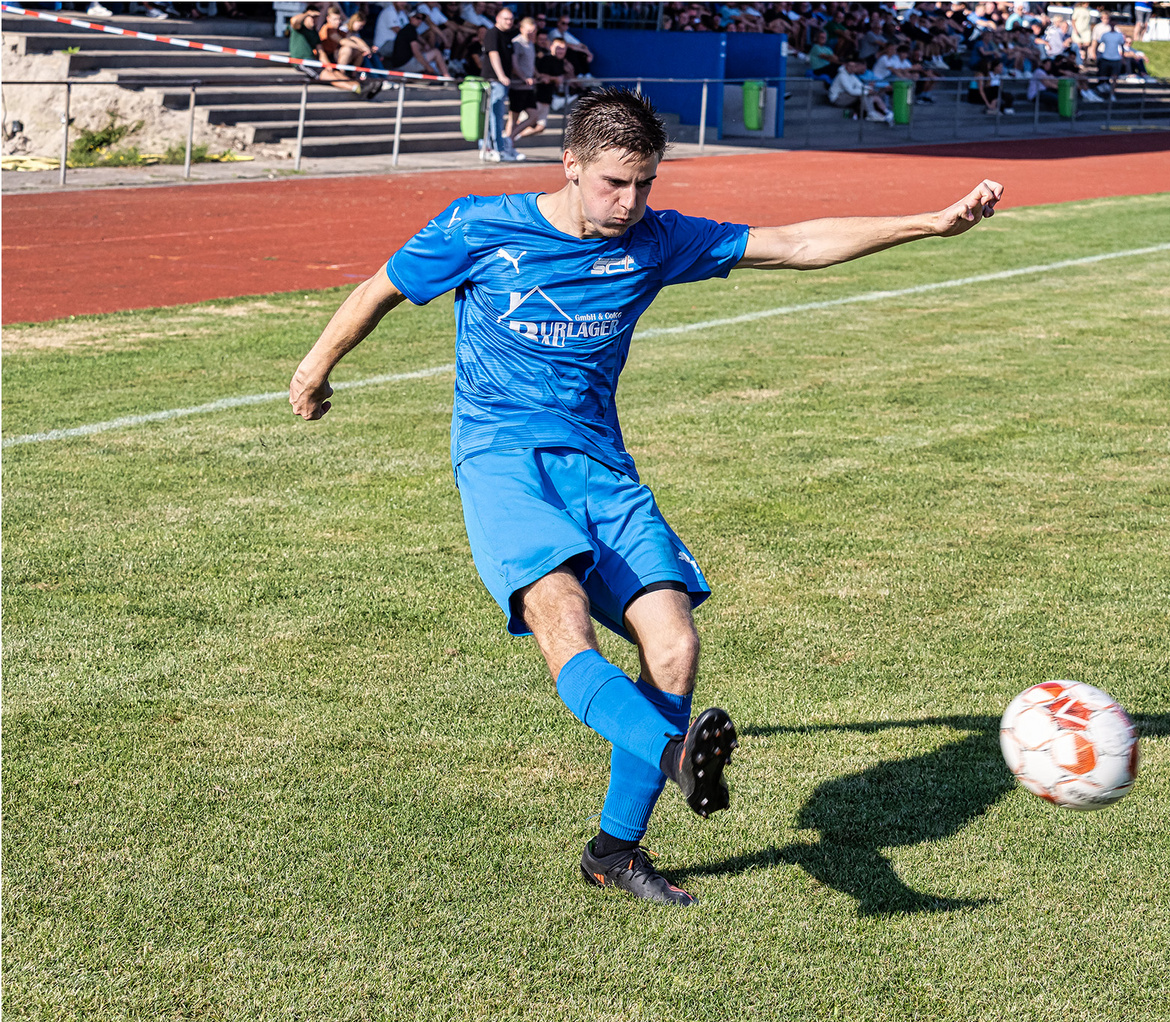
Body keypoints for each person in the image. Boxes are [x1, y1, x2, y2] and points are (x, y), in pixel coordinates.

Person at [289, 87, 1003, 906]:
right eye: (612, 185)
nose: (629, 204)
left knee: (674, 648)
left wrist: (928, 223)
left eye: (644, 185)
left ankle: (613, 853)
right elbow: (380, 287)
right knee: (558, 611)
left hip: (604, 467)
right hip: (503, 459)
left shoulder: (657, 240)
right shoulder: (475, 226)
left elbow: (798, 242)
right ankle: (675, 755)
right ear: (570, 165)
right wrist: (315, 369)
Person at [472, 6, 520, 160]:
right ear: (498, 19)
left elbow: (512, 61)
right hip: (493, 81)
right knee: (494, 115)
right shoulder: (493, 33)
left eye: (511, 19)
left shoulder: (507, 36)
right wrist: (501, 76)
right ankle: (494, 148)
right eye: (506, 18)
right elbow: (493, 55)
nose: (509, 22)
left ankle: (495, 147)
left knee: (497, 115)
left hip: (502, 82)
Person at [389, 7, 449, 79]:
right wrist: (428, 67)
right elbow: (416, 52)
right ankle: (447, 76)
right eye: (417, 18)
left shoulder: (409, 29)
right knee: (436, 52)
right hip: (403, 66)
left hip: (402, 64)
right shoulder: (410, 29)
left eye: (422, 19)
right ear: (411, 18)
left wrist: (424, 45)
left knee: (427, 50)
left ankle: (440, 75)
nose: (420, 21)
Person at [509, 16, 541, 142]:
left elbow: (530, 64)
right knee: (513, 117)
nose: (532, 33)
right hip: (518, 86)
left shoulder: (531, 44)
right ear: (522, 29)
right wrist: (524, 77)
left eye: (534, 31)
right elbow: (514, 64)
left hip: (528, 87)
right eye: (529, 30)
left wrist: (537, 75)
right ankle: (508, 141)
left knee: (533, 116)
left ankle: (510, 139)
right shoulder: (517, 42)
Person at [1094, 13, 1126, 97]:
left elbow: (1122, 46)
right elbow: (1098, 44)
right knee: (1103, 75)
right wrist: (1096, 54)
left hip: (1116, 58)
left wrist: (1122, 57)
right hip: (1105, 57)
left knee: (1115, 77)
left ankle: (1112, 93)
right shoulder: (1105, 34)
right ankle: (1103, 90)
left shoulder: (1119, 35)